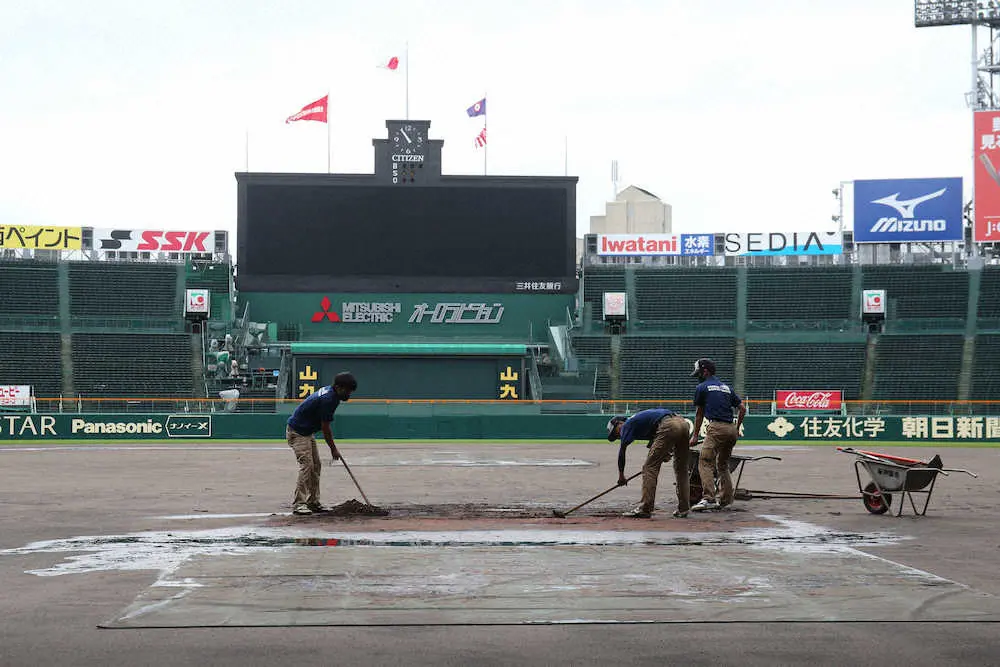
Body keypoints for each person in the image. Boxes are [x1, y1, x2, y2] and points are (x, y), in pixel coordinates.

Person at [285, 372, 358, 515]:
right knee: (307, 466)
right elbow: (325, 428)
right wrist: (333, 449)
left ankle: (313, 502)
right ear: (338, 387)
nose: (349, 394)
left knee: (316, 466)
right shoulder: (329, 399)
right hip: (298, 432)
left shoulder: (332, 395)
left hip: (306, 432)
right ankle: (299, 504)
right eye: (347, 390)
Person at [607, 408, 691, 519]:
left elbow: (622, 451)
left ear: (620, 423)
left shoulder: (627, 424)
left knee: (649, 468)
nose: (619, 436)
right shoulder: (641, 423)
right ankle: (684, 508)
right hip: (683, 423)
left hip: (668, 425)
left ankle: (645, 508)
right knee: (681, 469)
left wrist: (621, 475)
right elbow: (658, 443)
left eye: (616, 432)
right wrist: (665, 454)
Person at [688, 358, 746, 512]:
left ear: (705, 371)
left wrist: (694, 436)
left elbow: (699, 414)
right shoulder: (726, 387)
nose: (698, 376)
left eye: (699, 373)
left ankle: (708, 498)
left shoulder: (702, 387)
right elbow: (743, 408)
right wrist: (737, 427)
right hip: (731, 429)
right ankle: (726, 499)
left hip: (716, 427)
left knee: (705, 461)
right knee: (723, 464)